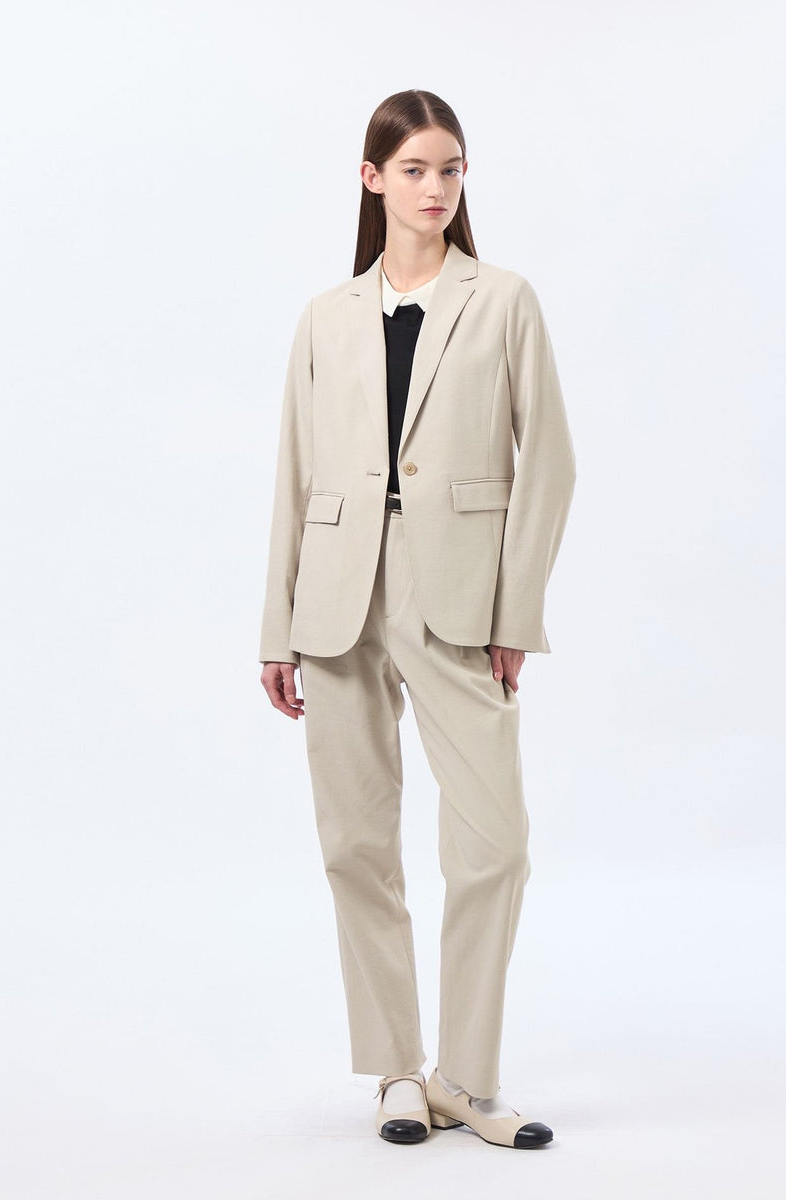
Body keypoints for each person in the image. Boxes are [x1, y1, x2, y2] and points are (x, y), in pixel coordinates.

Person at [258, 89, 575, 1148]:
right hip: (335, 599)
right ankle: (397, 1071)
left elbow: (551, 464)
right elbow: (294, 475)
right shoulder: (325, 317)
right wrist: (275, 628)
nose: (435, 187)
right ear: (372, 179)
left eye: (450, 169)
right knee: (356, 844)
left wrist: (515, 613)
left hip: (460, 599)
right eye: (414, 170)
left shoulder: (505, 300)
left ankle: (467, 1081)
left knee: (495, 845)